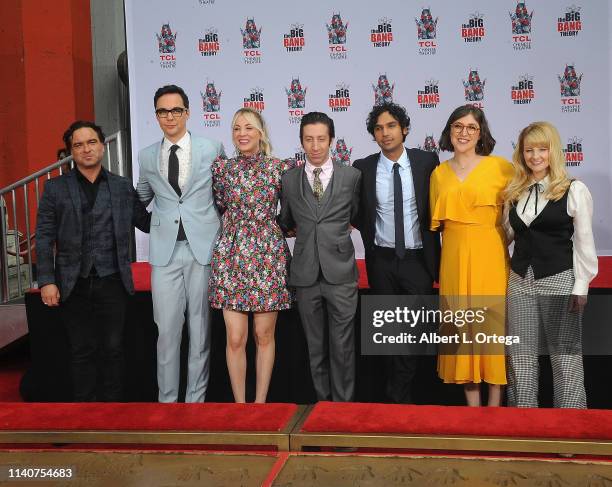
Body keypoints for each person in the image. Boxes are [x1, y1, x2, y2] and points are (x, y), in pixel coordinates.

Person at [36, 120, 151, 401]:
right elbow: (43, 237)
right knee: (81, 349)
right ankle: (84, 412)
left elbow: (146, 222)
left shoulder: (122, 187)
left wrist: (179, 204)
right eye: (78, 145)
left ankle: (113, 411)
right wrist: (47, 281)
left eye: (91, 143)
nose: (86, 149)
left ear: (102, 146)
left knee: (113, 348)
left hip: (113, 280)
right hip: (71, 283)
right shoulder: (55, 189)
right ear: (70, 152)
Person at [136, 85, 225, 403]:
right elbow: (141, 199)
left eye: (176, 110)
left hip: (203, 251)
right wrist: (156, 226)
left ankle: (195, 404)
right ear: (156, 115)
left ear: (187, 112)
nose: (169, 116)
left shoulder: (213, 147)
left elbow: (225, 196)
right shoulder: (146, 155)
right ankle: (167, 403)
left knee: (201, 332)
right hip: (165, 255)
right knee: (167, 332)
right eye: (163, 111)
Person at [504, 121, 597, 409]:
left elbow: (584, 242)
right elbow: (507, 235)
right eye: (529, 150)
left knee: (565, 357)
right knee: (519, 356)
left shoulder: (574, 189)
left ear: (553, 151)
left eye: (542, 149)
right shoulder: (514, 191)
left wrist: (581, 285)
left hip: (559, 279)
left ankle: (570, 434)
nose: (535, 156)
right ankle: (523, 428)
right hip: (519, 281)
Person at [353, 103, 440, 404]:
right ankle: (395, 400)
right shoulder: (362, 167)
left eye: (391, 126)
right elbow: (356, 213)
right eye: (378, 128)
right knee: (388, 334)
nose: (385, 133)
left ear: (404, 129)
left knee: (414, 333)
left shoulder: (428, 162)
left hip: (418, 260)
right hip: (382, 260)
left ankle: (400, 397)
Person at [430, 105, 513, 407]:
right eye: (457, 126)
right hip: (453, 255)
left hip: (490, 254)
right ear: (449, 131)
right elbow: (437, 227)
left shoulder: (501, 168)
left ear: (481, 133)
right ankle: (473, 415)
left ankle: (495, 413)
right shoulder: (438, 174)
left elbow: (517, 218)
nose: (464, 133)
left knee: (491, 329)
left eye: (471, 127)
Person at [209, 108, 293, 403]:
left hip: (267, 257)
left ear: (261, 133)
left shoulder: (280, 168)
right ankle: (240, 408)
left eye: (248, 127)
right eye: (236, 128)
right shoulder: (222, 169)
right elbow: (220, 205)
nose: (241, 133)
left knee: (264, 335)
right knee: (235, 338)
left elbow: (290, 209)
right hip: (231, 255)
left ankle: (260, 406)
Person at [278, 112, 361, 402]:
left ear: (331, 141)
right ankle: (323, 410)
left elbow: (356, 215)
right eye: (309, 139)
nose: (315, 146)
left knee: (343, 347)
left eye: (321, 139)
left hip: (341, 274)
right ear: (301, 141)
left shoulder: (352, 176)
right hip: (305, 274)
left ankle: (343, 412)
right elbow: (285, 220)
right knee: (315, 347)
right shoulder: (288, 180)